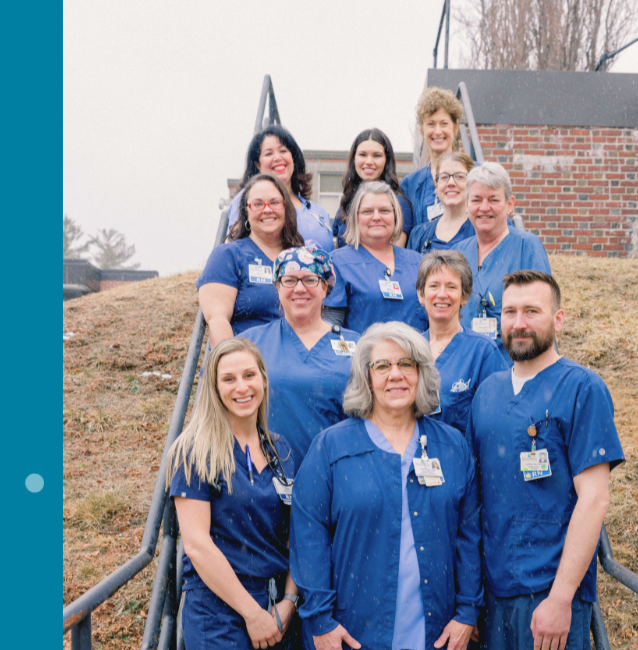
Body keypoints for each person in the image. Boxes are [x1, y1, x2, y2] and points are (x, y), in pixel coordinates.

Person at [290, 322, 482, 650]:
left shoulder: (452, 446)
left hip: (435, 633)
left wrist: (467, 612)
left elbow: (469, 535)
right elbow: (309, 535)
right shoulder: (331, 448)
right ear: (366, 377)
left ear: (421, 373)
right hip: (352, 633)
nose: (395, 374)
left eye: (406, 363)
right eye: (382, 366)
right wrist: (320, 620)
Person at [466, 271, 624, 650]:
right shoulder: (487, 394)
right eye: (510, 312)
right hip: (493, 592)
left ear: (558, 319)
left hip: (550, 595)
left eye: (532, 311)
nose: (519, 323)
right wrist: (469, 599)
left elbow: (594, 499)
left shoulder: (582, 388)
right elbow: (474, 500)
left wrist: (560, 598)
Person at [167, 337, 302, 650]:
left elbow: (296, 534)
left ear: (264, 381)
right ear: (214, 388)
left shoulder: (279, 450)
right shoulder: (195, 451)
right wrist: (251, 613)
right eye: (228, 379)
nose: (242, 387)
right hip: (218, 612)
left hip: (275, 607)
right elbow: (198, 545)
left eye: (249, 375)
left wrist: (289, 601)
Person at [239, 246, 359, 461]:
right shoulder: (250, 343)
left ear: (325, 288)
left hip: (339, 469)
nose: (300, 288)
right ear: (277, 287)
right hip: (268, 473)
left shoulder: (357, 346)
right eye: (290, 280)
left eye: (310, 280)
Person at [452, 162, 551, 363]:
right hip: (466, 365)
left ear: (510, 204)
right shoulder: (458, 253)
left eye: (493, 199)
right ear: (467, 204)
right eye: (477, 199)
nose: (484, 207)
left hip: (514, 366)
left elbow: (542, 314)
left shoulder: (527, 247)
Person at [198, 173, 305, 344]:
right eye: (257, 204)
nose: (267, 209)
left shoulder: (302, 258)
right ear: (246, 212)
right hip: (245, 363)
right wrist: (232, 366)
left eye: (275, 202)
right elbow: (217, 320)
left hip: (293, 363)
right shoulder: (228, 256)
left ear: (286, 208)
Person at [416, 250, 508, 434]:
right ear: (421, 294)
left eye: (451, 287)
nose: (442, 294)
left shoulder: (482, 351)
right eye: (434, 286)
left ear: (464, 297)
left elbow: (500, 416)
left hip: (462, 459)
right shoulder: (409, 349)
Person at [324, 182, 428, 334]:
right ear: (355, 218)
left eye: (384, 210)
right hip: (362, 356)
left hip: (414, 356)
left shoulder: (418, 262)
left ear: (396, 216)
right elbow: (331, 328)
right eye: (367, 211)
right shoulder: (338, 263)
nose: (377, 217)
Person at [226, 125, 335, 251]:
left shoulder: (318, 211)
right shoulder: (247, 199)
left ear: (293, 158)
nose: (277, 158)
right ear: (257, 164)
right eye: (268, 153)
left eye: (283, 151)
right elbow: (239, 245)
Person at [332, 129, 415, 249]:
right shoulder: (345, 204)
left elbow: (395, 257)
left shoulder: (398, 203)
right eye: (362, 155)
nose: (369, 161)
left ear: (386, 161)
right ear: (354, 159)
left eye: (377, 155)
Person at [400, 87, 464, 230]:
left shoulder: (476, 174)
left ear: (455, 128)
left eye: (444, 123)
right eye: (431, 124)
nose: (437, 131)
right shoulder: (409, 185)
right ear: (422, 130)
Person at [407, 152, 477, 254]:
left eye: (459, 177)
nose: (451, 183)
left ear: (472, 184)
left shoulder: (482, 231)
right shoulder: (418, 235)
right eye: (444, 177)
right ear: (436, 185)